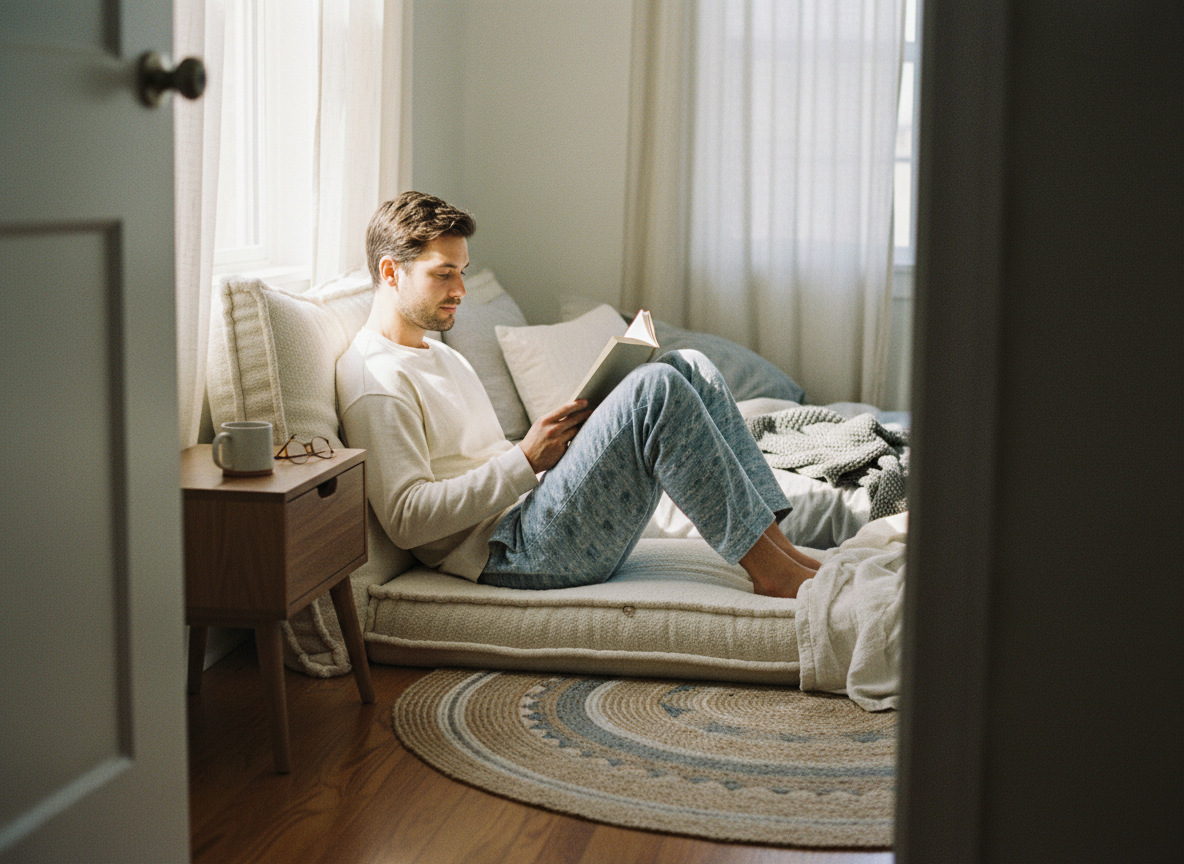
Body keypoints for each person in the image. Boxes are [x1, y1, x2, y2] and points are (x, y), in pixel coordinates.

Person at [336, 192, 821, 598]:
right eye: (444, 273)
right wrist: (525, 460)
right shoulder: (375, 381)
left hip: (531, 512)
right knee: (656, 388)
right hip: (512, 552)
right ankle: (771, 574)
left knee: (687, 365)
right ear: (392, 272)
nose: (461, 289)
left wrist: (555, 445)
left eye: (463, 271)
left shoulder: (437, 354)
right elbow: (405, 519)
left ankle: (776, 548)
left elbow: (477, 459)